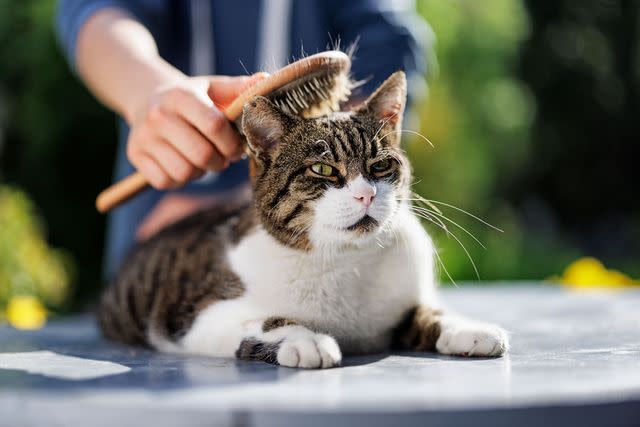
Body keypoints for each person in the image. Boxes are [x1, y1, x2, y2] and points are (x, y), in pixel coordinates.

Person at [55, 0, 430, 280]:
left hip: (334, 249)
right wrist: (149, 91)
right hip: (163, 243)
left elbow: (385, 38)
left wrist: (280, 200)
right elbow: (96, 10)